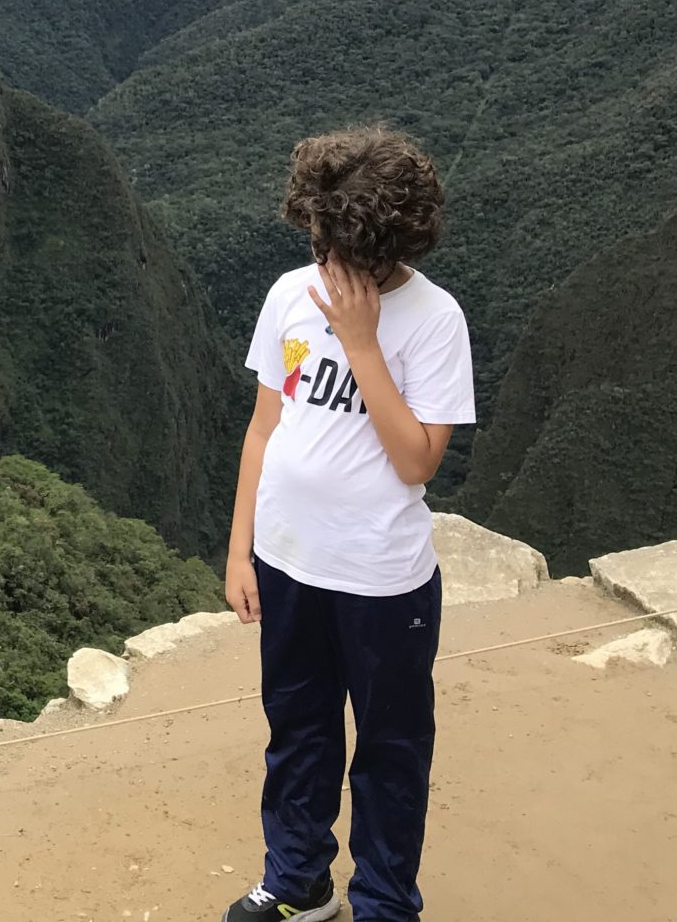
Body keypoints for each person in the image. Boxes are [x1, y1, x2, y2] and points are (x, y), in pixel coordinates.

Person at [220, 127, 474, 922]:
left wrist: (364, 344)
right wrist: (241, 550)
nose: (325, 257)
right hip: (287, 559)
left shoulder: (434, 321)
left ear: (390, 244)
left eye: (337, 243)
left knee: (391, 750)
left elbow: (417, 461)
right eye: (318, 238)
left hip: (380, 578)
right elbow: (265, 426)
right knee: (297, 732)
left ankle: (386, 902)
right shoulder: (289, 294)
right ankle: (299, 879)